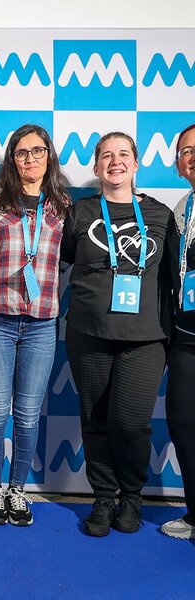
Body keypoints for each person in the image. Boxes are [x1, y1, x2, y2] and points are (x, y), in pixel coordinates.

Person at [61, 132, 172, 537]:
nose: (115, 161)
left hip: (146, 336)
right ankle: (104, 498)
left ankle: (132, 497)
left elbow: (174, 275)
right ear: (96, 166)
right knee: (95, 419)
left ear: (136, 163)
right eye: (106, 155)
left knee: (131, 422)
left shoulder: (160, 214)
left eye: (123, 153)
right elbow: (65, 259)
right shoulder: (81, 211)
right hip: (89, 331)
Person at [0, 124, 69, 526]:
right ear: (11, 158)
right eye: (21, 152)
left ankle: (17, 489)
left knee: (29, 414)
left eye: (38, 151)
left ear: (49, 156)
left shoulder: (63, 204)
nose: (30, 159)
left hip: (42, 324)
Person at [163, 123, 195, 540]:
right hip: (186, 334)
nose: (193, 156)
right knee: (184, 422)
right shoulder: (182, 209)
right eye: (186, 151)